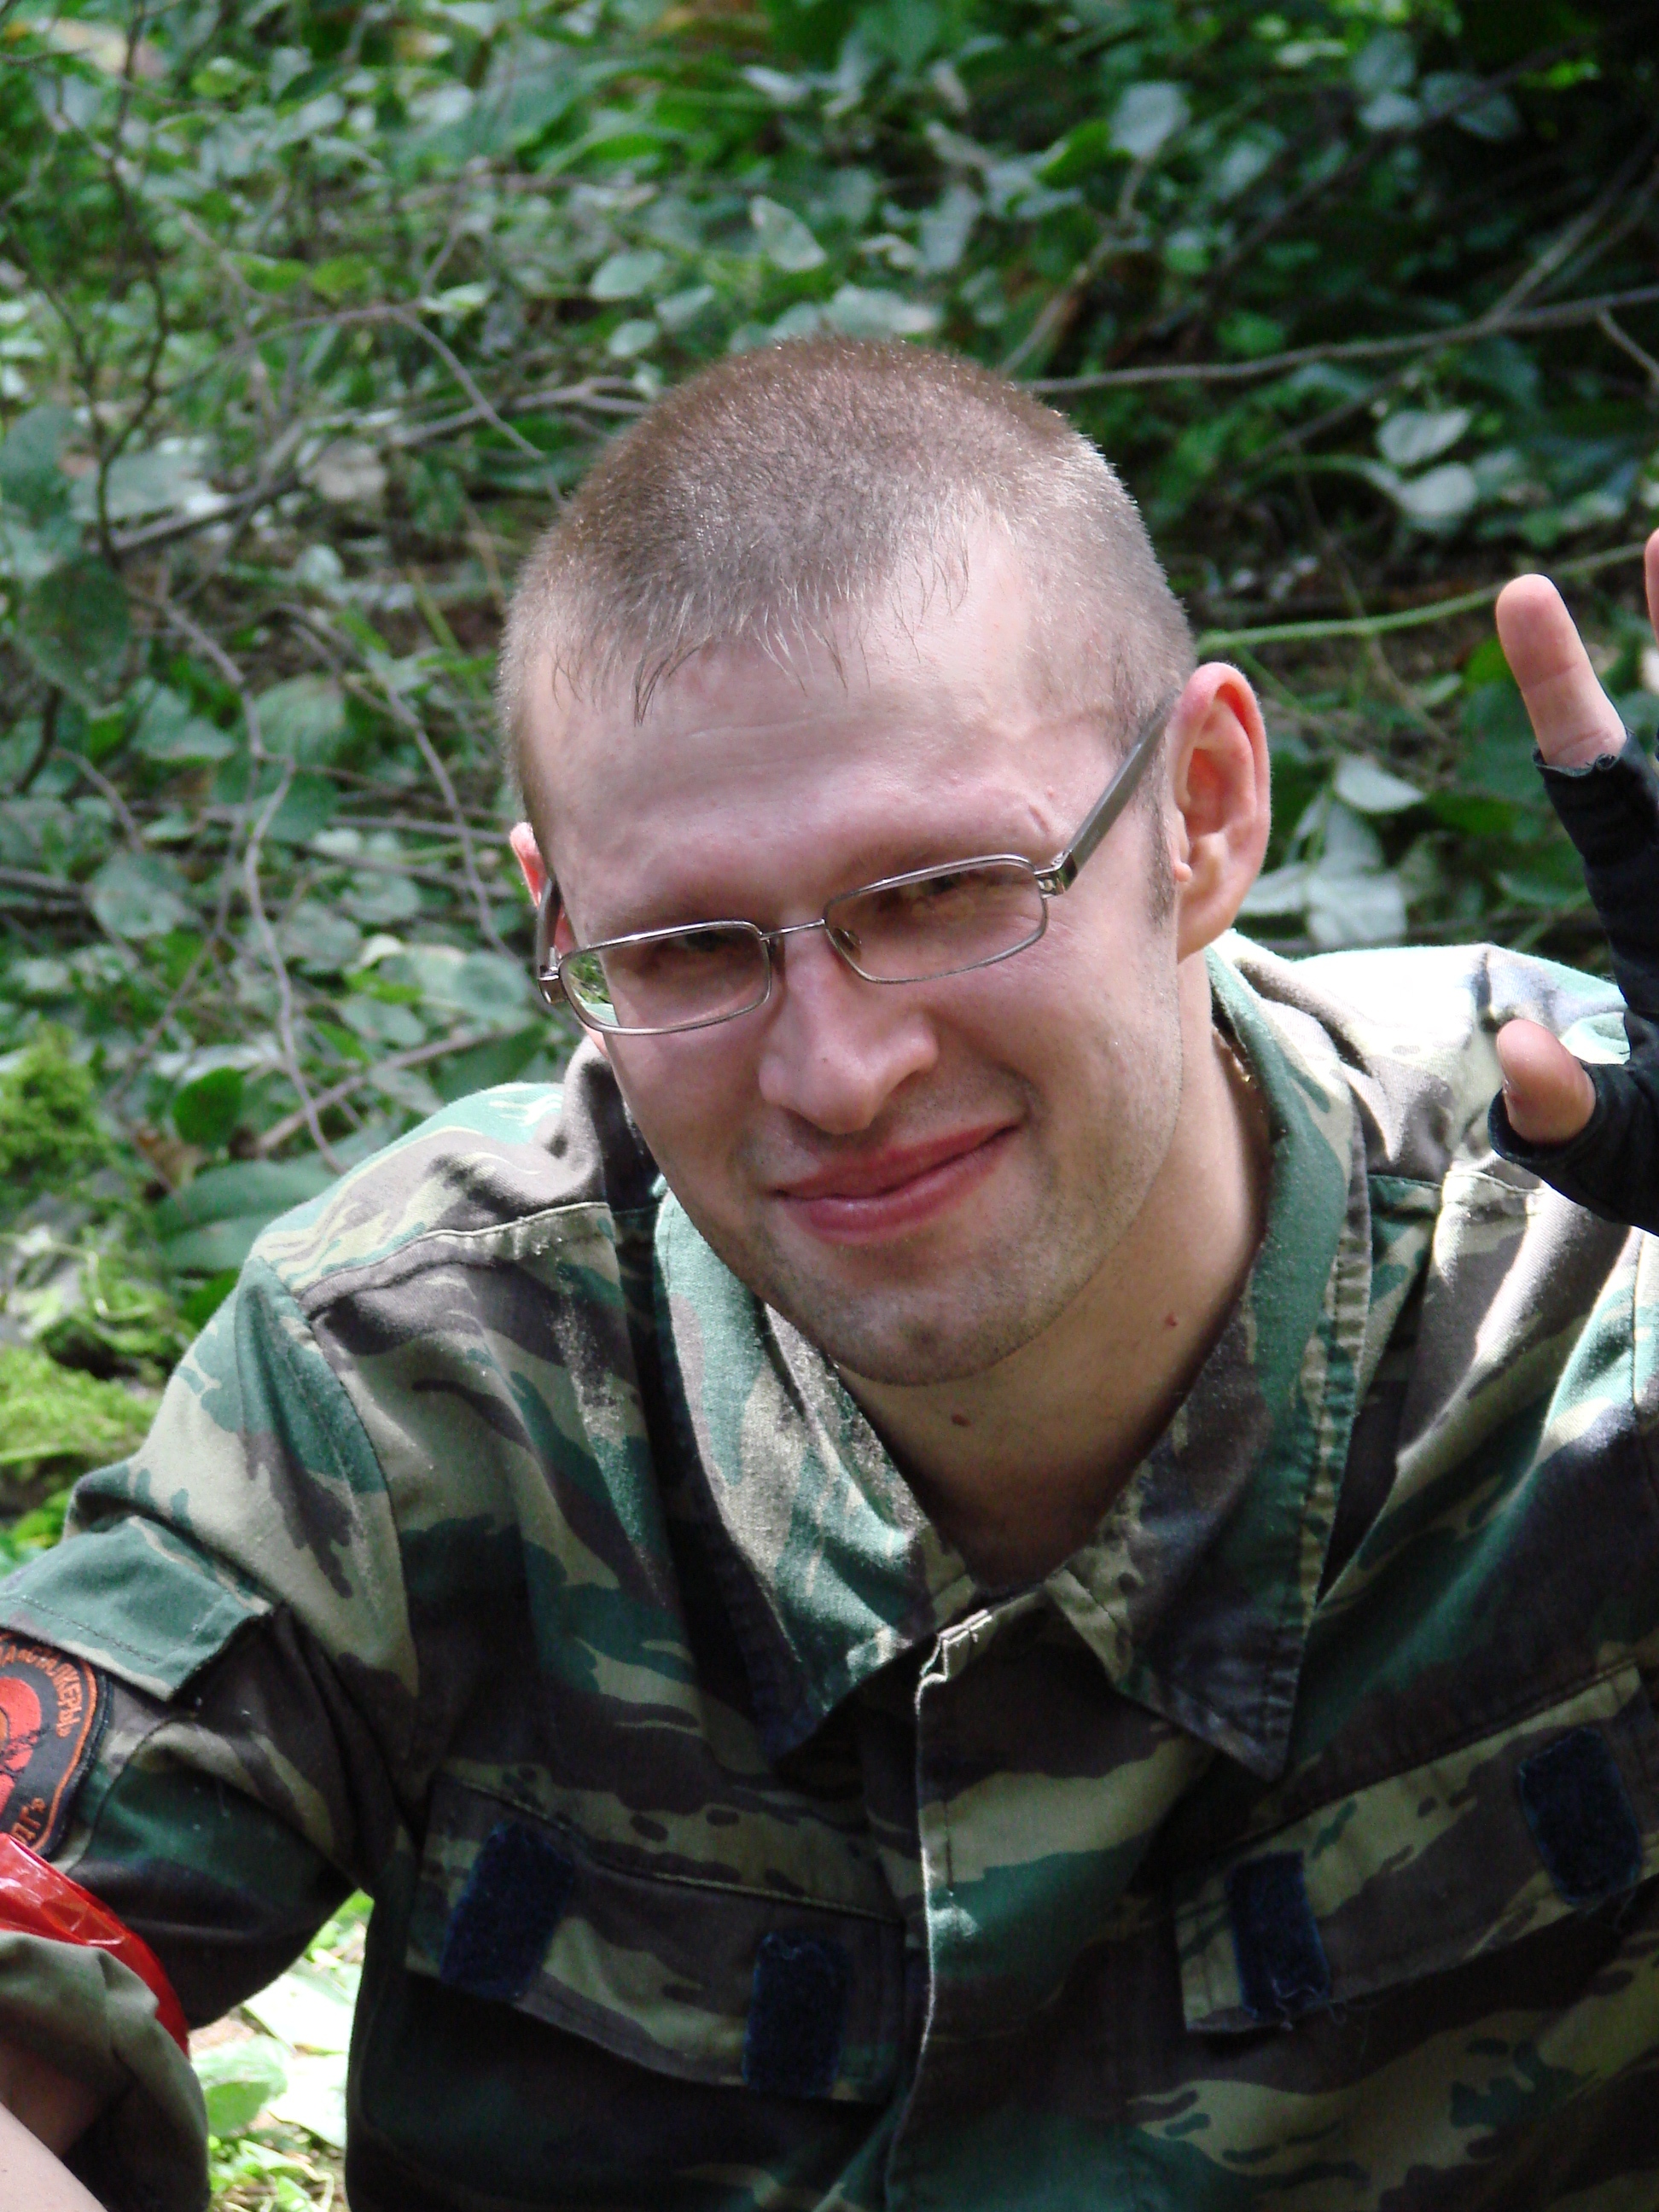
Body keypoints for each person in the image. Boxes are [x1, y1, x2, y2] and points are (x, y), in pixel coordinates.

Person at [2, 338, 1658, 2212]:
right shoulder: (421, 1378)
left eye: (944, 892)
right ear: (562, 921)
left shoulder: (1600, 1265)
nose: (838, 1073)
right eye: (690, 948)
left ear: (1201, 808)